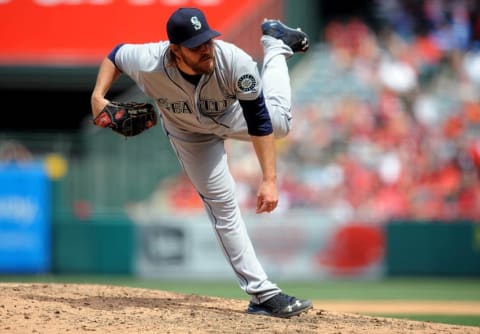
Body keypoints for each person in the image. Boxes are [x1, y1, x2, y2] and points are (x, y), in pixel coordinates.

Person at [91, 7, 312, 318]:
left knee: (280, 126)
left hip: (232, 115)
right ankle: (263, 294)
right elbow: (115, 55)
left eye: (207, 40)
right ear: (175, 51)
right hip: (188, 133)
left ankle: (275, 45)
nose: (206, 49)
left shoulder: (235, 62)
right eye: (196, 46)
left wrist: (269, 180)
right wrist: (98, 97)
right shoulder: (149, 60)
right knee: (222, 205)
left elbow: (259, 121)